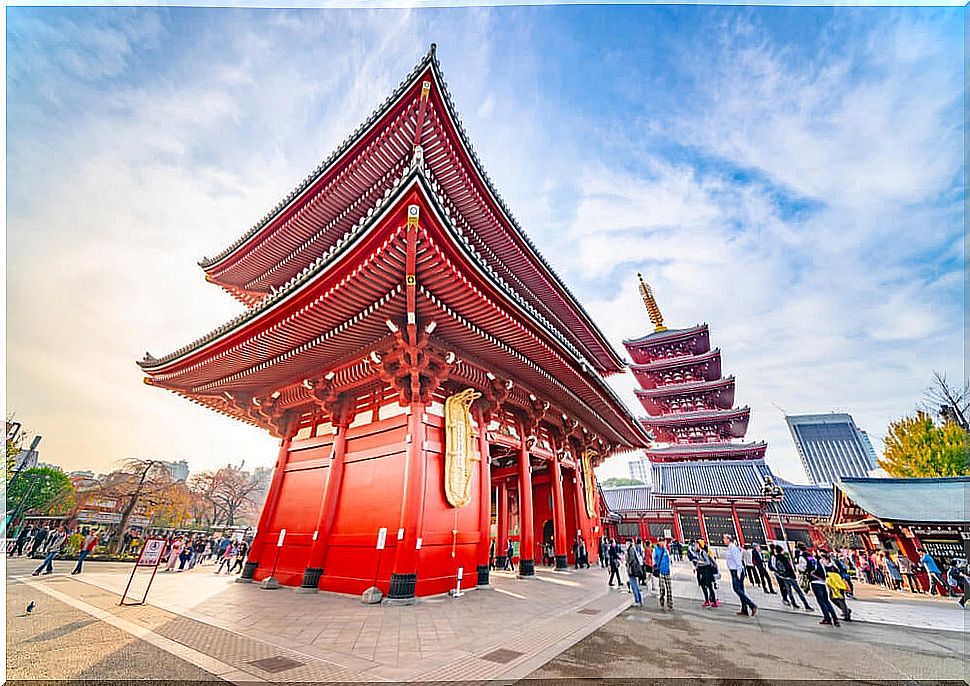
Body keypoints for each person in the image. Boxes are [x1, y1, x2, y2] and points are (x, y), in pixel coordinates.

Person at [724, 534, 757, 617]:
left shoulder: (733, 548)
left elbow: (738, 561)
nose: (723, 540)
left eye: (724, 538)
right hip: (734, 571)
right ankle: (744, 610)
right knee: (741, 590)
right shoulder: (730, 548)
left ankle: (751, 605)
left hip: (737, 571)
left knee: (737, 589)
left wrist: (739, 572)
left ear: (729, 539)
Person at [807, 550, 840, 626]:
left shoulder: (813, 560)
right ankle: (835, 618)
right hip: (823, 583)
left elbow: (809, 569)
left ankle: (827, 618)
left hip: (815, 582)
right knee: (826, 601)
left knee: (821, 601)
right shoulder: (821, 562)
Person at [822, 552, 852, 622]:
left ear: (827, 559)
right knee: (833, 599)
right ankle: (846, 610)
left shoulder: (832, 566)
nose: (822, 561)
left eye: (823, 559)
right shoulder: (827, 566)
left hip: (837, 584)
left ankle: (847, 615)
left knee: (840, 599)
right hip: (832, 585)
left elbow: (838, 574)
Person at [693, 540, 719, 607]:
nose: (695, 546)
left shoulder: (704, 552)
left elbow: (707, 562)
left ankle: (713, 601)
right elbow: (699, 561)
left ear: (700, 545)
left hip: (707, 571)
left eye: (696, 544)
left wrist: (699, 563)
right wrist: (696, 567)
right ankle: (707, 600)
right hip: (703, 571)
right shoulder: (698, 553)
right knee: (703, 585)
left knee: (709, 586)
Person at [653, 536, 673, 611]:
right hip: (660, 571)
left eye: (663, 541)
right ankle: (661, 600)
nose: (662, 543)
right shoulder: (655, 550)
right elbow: (654, 561)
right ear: (658, 542)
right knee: (662, 589)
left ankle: (670, 604)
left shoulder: (666, 550)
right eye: (660, 541)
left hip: (667, 571)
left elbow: (669, 559)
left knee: (669, 588)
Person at [625, 540, 644, 607]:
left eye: (626, 543)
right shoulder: (632, 549)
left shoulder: (631, 549)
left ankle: (637, 600)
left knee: (634, 585)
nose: (626, 544)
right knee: (635, 585)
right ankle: (639, 600)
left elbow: (631, 558)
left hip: (632, 570)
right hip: (633, 569)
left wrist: (628, 563)